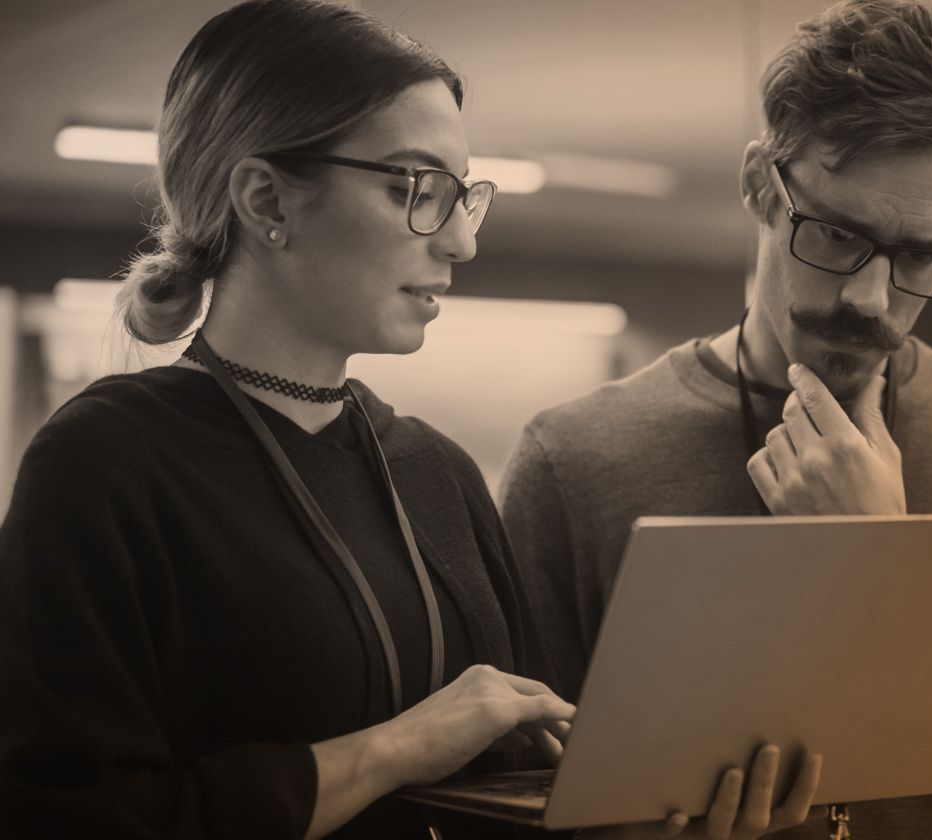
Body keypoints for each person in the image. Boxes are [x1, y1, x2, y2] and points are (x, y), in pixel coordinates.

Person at [0, 2, 815, 838]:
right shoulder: (104, 464)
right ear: (266, 199)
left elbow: (516, 796)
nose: (460, 241)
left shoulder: (440, 476)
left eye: (464, 196)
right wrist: (396, 749)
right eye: (416, 189)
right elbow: (74, 817)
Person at [499, 2, 932, 838]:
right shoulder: (574, 461)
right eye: (834, 235)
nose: (869, 299)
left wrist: (885, 566)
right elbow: (509, 803)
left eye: (921, 257)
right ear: (761, 185)